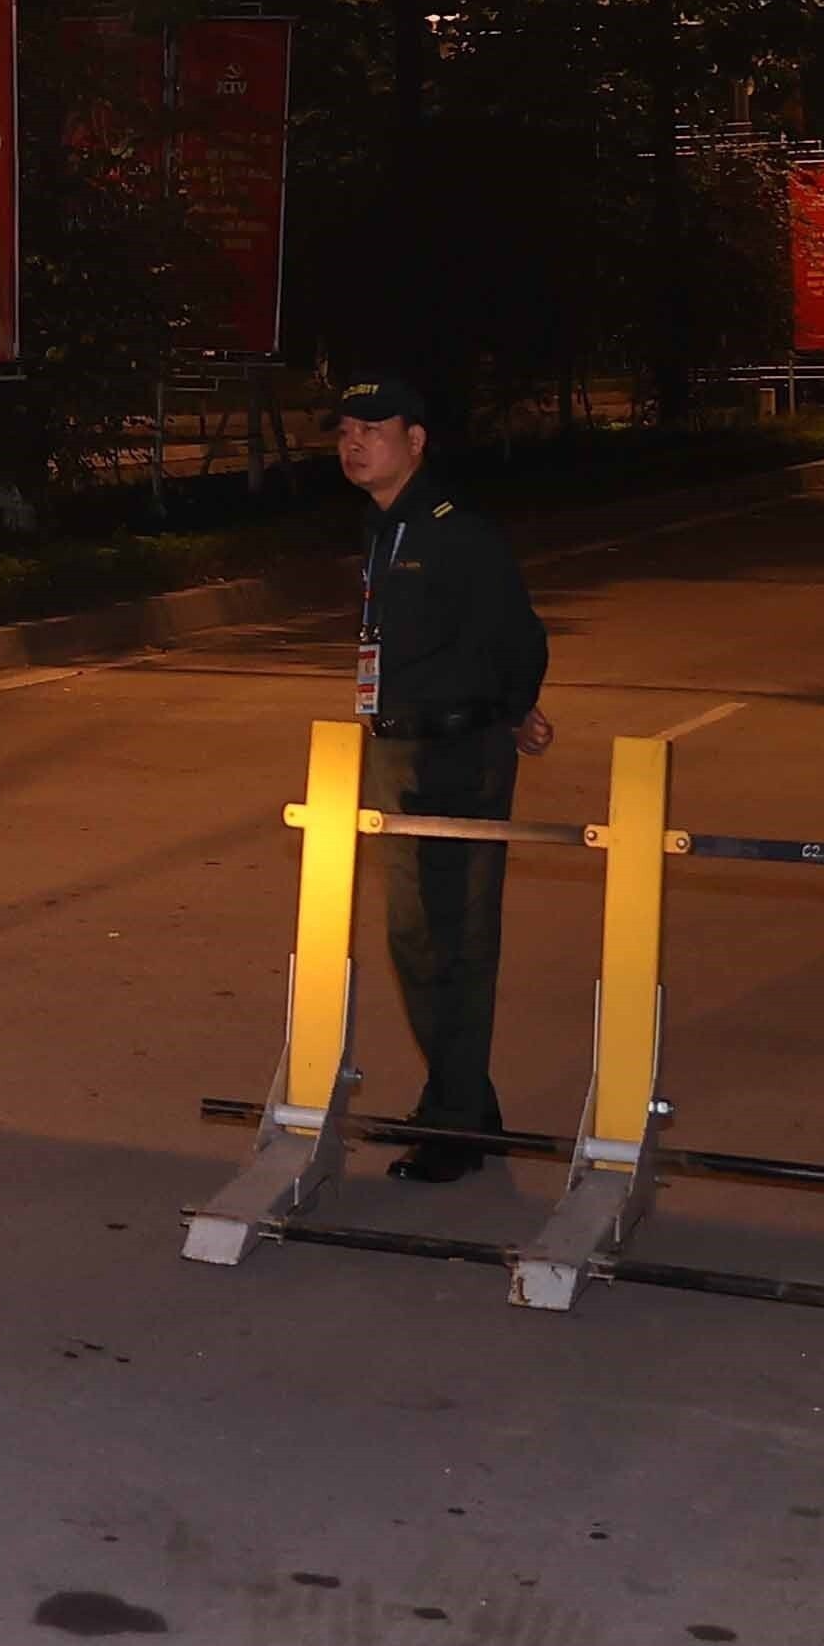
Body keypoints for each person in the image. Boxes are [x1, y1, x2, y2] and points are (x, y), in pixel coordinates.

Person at [332, 373, 554, 1185]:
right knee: (415, 937)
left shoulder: (457, 531)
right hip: (398, 749)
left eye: (373, 429)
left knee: (452, 938)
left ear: (416, 440)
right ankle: (463, 1104)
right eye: (345, 431)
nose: (354, 444)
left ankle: (457, 1123)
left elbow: (519, 634)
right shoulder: (381, 527)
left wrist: (513, 710)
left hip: (456, 755)